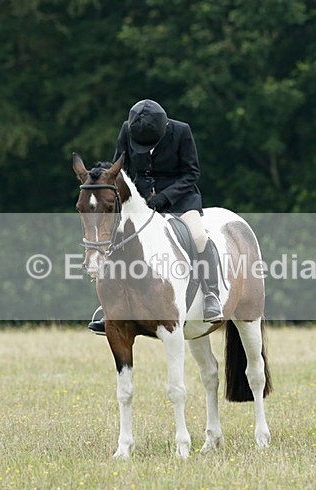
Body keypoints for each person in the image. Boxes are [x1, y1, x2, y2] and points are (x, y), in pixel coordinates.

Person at [88, 99, 223, 334]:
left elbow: (191, 173)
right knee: (116, 241)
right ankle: (109, 306)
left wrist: (164, 197)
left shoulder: (181, 131)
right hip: (140, 203)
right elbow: (119, 171)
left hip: (180, 200)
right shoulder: (126, 129)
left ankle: (212, 294)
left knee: (199, 236)